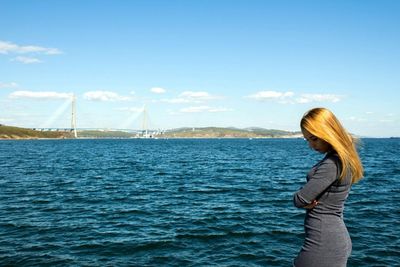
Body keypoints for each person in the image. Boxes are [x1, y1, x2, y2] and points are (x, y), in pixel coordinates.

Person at [293, 107, 363, 267]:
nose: (311, 145)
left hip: (323, 244)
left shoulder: (332, 164)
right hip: (332, 239)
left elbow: (299, 199)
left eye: (314, 139)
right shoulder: (342, 158)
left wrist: (304, 201)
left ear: (328, 132)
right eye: (308, 140)